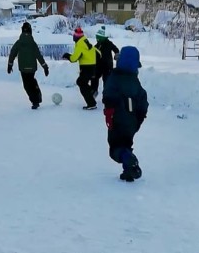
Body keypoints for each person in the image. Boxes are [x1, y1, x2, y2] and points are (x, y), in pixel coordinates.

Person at [102, 46, 148, 182]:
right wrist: (139, 119)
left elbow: (108, 96)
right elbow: (143, 102)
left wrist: (109, 115)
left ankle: (129, 160)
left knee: (115, 147)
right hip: (132, 121)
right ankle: (128, 171)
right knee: (126, 144)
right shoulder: (135, 81)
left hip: (117, 119)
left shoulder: (114, 77)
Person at [7, 22, 49, 109]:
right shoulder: (33, 43)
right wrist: (45, 66)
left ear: (22, 31)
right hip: (32, 68)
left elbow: (12, 53)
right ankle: (37, 93)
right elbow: (38, 55)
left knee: (27, 85)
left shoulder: (18, 43)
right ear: (30, 31)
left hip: (23, 68)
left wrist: (10, 64)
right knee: (31, 81)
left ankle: (35, 101)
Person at [62, 27, 98, 110]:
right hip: (92, 66)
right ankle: (92, 92)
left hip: (86, 68)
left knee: (81, 83)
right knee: (81, 82)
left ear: (76, 37)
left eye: (74, 36)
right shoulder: (86, 42)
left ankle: (91, 103)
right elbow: (95, 52)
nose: (73, 37)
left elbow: (73, 59)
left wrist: (67, 55)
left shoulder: (80, 45)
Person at [92, 26, 119, 97]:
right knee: (94, 78)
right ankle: (94, 91)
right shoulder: (97, 45)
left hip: (107, 66)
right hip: (98, 66)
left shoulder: (109, 43)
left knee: (106, 80)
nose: (97, 39)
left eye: (98, 38)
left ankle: (106, 94)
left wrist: (116, 55)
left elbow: (116, 49)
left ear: (102, 37)